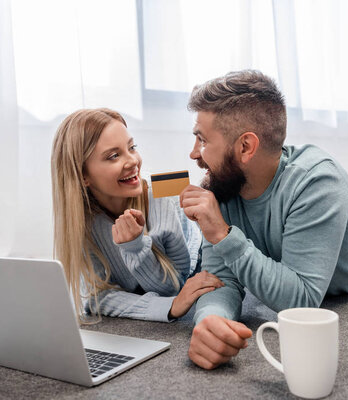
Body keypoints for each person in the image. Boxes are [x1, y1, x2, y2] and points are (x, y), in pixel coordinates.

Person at [180, 70, 348, 369]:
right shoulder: (221, 184)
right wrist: (212, 320)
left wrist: (223, 235)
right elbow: (220, 280)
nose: (193, 153)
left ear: (246, 147)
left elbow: (301, 301)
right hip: (278, 252)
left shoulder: (319, 182)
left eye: (202, 139)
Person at [51, 108, 223, 323]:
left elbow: (172, 287)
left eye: (132, 147)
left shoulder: (164, 192)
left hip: (201, 277)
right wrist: (167, 307)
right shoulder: (82, 221)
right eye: (114, 156)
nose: (133, 161)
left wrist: (134, 246)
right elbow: (97, 298)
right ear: (83, 175)